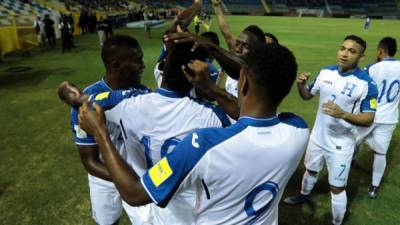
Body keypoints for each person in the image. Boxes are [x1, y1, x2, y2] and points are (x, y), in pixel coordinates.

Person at [78, 42, 308, 225]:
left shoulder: (203, 145)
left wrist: (101, 134)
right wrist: (211, 89)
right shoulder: (297, 129)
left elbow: (135, 194)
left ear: (243, 81)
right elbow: (252, 117)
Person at [283, 35, 378, 225]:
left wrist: (343, 114)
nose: (344, 54)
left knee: (336, 188)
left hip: (340, 145)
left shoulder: (367, 84)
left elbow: (369, 118)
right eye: (343, 48)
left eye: (352, 51)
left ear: (361, 56)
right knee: (310, 171)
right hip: (317, 138)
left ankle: (336, 222)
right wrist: (301, 85)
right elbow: (308, 95)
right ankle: (303, 195)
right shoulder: (326, 72)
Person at [63, 35, 150, 225]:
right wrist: (123, 178)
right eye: (137, 60)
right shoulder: (86, 105)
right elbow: (89, 160)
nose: (143, 66)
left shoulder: (143, 94)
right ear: (117, 65)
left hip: (139, 176)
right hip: (104, 178)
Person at [356, 37, 400, 198]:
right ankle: (374, 187)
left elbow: (360, 87)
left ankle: (339, 178)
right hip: (390, 117)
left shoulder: (373, 67)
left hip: (369, 115)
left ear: (381, 51)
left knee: (351, 141)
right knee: (381, 154)